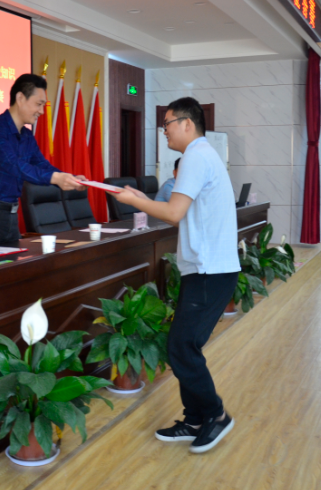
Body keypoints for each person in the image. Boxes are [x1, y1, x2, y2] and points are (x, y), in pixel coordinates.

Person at [109, 97, 240, 454]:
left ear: (187, 124)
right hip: (206, 269)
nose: (164, 130)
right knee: (182, 346)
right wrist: (140, 196)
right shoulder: (203, 155)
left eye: (167, 123)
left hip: (211, 270)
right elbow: (178, 209)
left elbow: (173, 213)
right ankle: (195, 419)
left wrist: (133, 201)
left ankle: (215, 415)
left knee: (181, 347)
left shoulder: (196, 156)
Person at [0, 73, 84, 249]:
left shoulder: (26, 136)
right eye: (38, 104)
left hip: (11, 216)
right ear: (20, 98)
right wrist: (56, 178)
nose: (41, 111)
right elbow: (13, 165)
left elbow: (41, 165)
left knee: (14, 265)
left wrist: (70, 179)